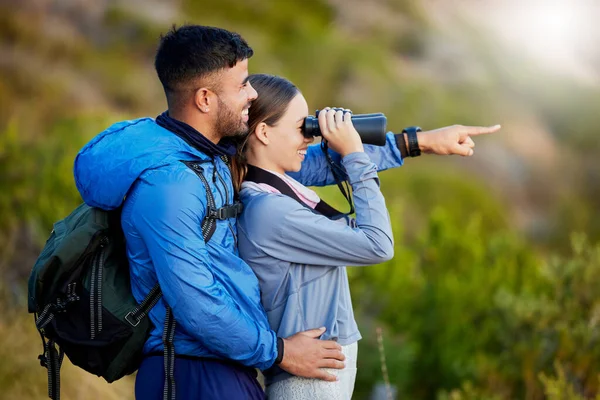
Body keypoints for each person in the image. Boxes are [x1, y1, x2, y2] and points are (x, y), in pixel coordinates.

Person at [73, 26, 347, 400]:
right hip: (189, 373)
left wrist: (413, 143)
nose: (253, 94)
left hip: (224, 366)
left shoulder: (211, 156)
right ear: (205, 98)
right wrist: (280, 352)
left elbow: (295, 162)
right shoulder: (169, 186)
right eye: (242, 85)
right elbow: (194, 301)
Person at [234, 74, 501, 399]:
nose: (308, 137)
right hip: (309, 380)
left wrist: (421, 141)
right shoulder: (269, 211)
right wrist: (354, 154)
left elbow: (321, 165)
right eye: (299, 127)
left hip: (324, 371)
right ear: (263, 132)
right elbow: (378, 244)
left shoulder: (279, 188)